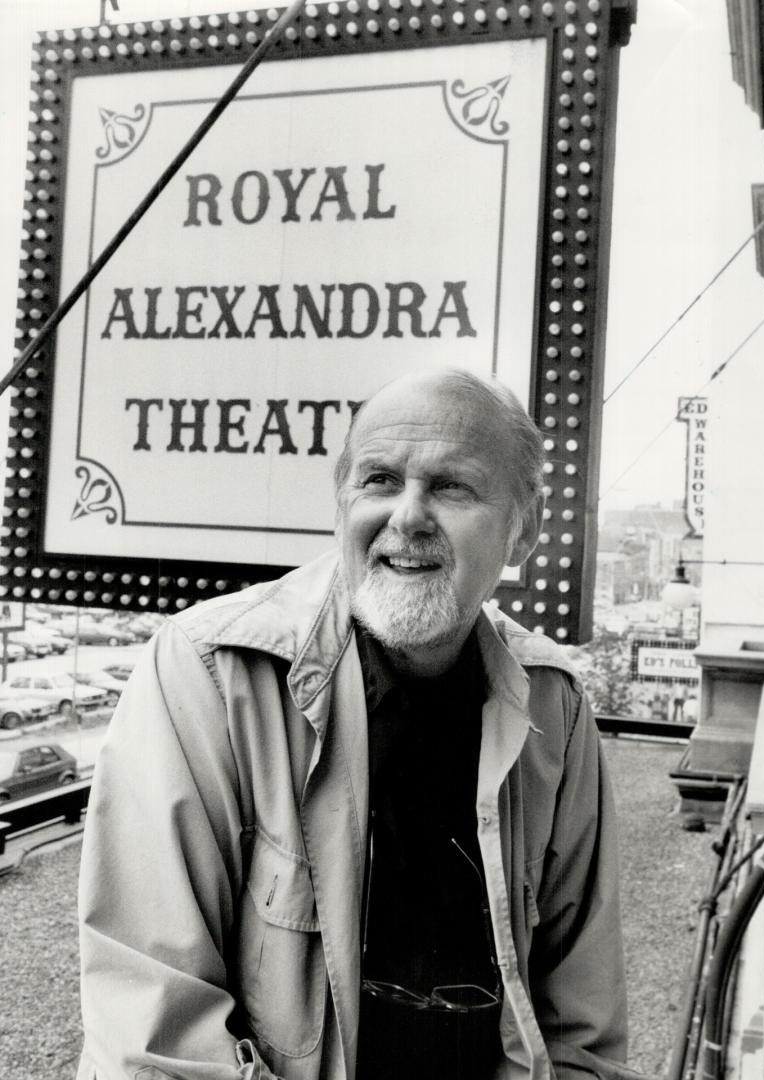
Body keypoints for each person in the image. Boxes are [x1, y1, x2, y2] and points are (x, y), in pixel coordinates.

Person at [78, 368, 629, 1080]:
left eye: (451, 486)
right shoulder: (211, 672)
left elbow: (581, 1028)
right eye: (377, 481)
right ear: (340, 503)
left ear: (525, 529)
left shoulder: (552, 707)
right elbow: (152, 1037)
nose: (407, 516)